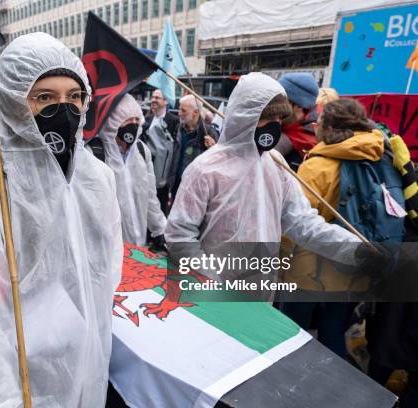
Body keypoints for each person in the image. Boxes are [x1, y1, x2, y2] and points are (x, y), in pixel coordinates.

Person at [0, 33, 122, 407]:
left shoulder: (97, 179)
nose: (64, 108)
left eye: (74, 96)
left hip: (88, 362)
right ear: (12, 101)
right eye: (44, 97)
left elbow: (105, 275)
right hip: (23, 379)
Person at [165, 73, 383, 291]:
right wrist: (211, 281)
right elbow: (180, 234)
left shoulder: (276, 164)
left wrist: (355, 250)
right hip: (213, 298)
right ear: (245, 116)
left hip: (260, 295)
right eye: (269, 118)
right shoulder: (205, 169)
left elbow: (302, 223)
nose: (275, 126)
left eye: (280, 119)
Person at [279, 99, 405, 357]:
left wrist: (279, 260)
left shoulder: (318, 164)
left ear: (328, 127)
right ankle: (334, 390)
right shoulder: (380, 154)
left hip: (308, 274)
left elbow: (295, 222)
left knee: (290, 334)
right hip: (356, 268)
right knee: (333, 335)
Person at [89, 93, 167, 249]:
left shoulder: (141, 151)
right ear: (112, 120)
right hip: (109, 249)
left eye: (137, 119)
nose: (133, 124)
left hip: (139, 245)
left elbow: (150, 197)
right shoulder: (96, 153)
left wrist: (160, 230)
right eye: (127, 120)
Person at [168, 94, 217, 198]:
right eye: (179, 109)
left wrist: (213, 148)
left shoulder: (208, 133)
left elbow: (217, 163)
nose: (179, 113)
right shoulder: (178, 129)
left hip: (195, 190)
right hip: (176, 185)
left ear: (196, 112)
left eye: (183, 110)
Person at [141, 89, 180, 214]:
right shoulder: (145, 120)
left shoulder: (174, 121)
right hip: (147, 174)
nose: (153, 100)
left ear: (166, 101)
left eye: (157, 98)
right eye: (152, 97)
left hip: (164, 178)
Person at [275, 73, 319, 170]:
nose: (274, 105)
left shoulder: (314, 139)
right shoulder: (272, 122)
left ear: (300, 105)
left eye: (281, 100)